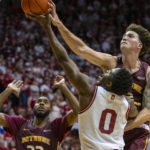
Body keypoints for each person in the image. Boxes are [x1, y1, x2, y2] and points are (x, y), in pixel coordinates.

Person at [46, 1, 150, 149]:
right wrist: (59, 25)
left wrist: (125, 128)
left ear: (139, 45)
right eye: (124, 36)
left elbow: (148, 111)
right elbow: (81, 49)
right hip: (110, 127)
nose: (124, 38)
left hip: (136, 130)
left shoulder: (147, 72)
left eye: (130, 36)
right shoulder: (111, 63)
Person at [27, 13, 135, 150]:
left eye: (107, 73)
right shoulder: (127, 105)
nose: (103, 72)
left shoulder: (89, 90)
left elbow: (63, 59)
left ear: (109, 83)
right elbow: (132, 112)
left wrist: (47, 27)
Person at [0, 76, 79, 150]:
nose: (41, 103)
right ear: (33, 107)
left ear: (50, 109)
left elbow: (77, 112)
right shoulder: (19, 124)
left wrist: (63, 87)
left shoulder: (56, 126)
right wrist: (8, 90)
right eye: (39, 102)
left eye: (45, 102)